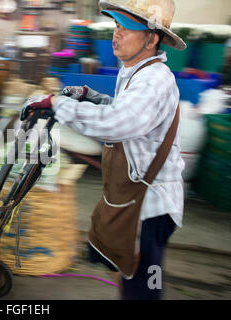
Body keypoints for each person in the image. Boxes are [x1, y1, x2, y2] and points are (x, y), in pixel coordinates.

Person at [20, 0, 186, 300]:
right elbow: (125, 111)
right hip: (134, 198)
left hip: (150, 207)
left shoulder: (152, 80)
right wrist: (91, 96)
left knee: (144, 288)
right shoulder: (136, 71)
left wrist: (58, 104)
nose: (116, 34)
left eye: (127, 28)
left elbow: (117, 124)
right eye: (117, 26)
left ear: (152, 38)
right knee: (123, 267)